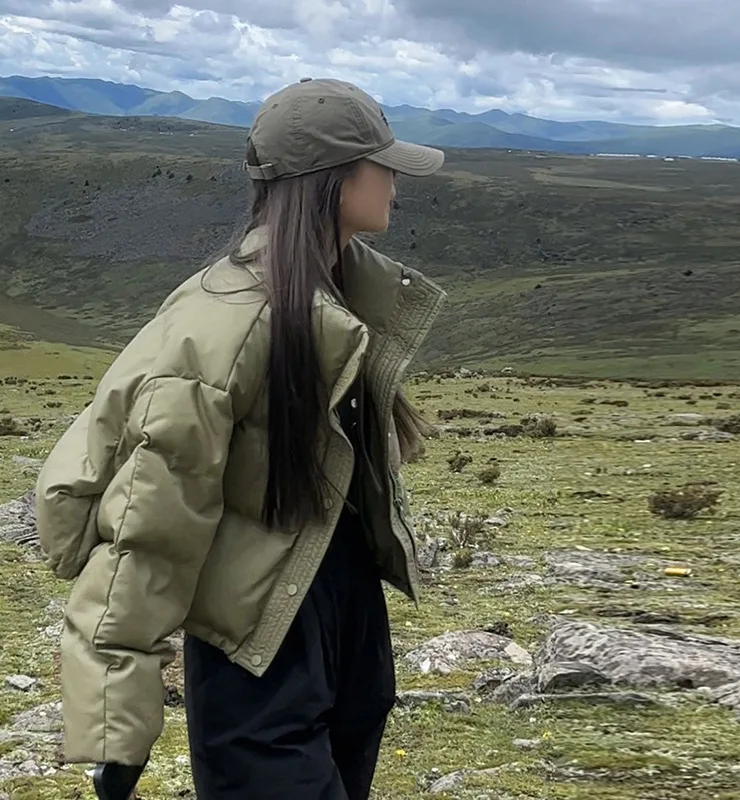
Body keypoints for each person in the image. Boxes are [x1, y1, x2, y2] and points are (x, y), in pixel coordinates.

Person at [34, 77, 446, 800]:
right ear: (332, 181)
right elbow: (149, 519)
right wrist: (114, 726)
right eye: (380, 161)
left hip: (340, 626)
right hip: (259, 651)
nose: (393, 179)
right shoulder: (229, 320)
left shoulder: (335, 296)